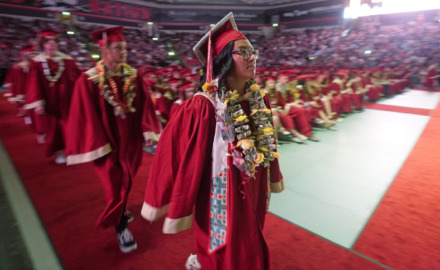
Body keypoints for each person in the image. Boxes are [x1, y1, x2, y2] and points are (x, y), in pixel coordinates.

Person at [141, 13, 284, 270]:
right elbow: (173, 153)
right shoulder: (204, 106)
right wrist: (161, 197)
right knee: (227, 251)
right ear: (225, 60)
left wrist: (272, 174)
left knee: (251, 237)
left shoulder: (259, 100)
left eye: (253, 52)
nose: (253, 58)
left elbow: (269, 144)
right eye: (244, 52)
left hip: (254, 184)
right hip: (222, 193)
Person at [65, 26, 161, 253]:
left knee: (126, 180)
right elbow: (85, 117)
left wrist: (148, 131)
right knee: (114, 184)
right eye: (118, 48)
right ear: (104, 49)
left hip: (131, 141)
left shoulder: (134, 76)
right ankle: (121, 228)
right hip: (108, 143)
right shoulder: (88, 81)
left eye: (125, 47)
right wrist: (100, 145)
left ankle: (121, 208)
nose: (124, 51)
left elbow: (145, 106)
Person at [24, 28, 81, 164]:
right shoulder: (37, 62)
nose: (51, 44)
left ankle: (72, 150)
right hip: (50, 102)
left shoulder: (67, 60)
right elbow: (34, 82)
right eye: (48, 42)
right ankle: (59, 152)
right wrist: (38, 102)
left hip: (67, 100)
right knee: (54, 129)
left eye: (54, 41)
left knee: (71, 126)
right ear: (43, 44)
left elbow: (78, 78)